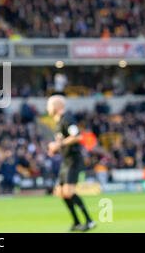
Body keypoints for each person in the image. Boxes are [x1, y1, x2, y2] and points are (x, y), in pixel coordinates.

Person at [47, 95, 96, 232]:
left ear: (56, 107)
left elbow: (77, 136)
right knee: (62, 192)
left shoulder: (67, 119)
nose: (47, 109)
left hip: (73, 160)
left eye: (49, 105)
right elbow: (64, 142)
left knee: (68, 191)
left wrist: (58, 145)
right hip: (66, 160)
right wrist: (55, 149)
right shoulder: (58, 123)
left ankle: (89, 221)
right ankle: (76, 222)